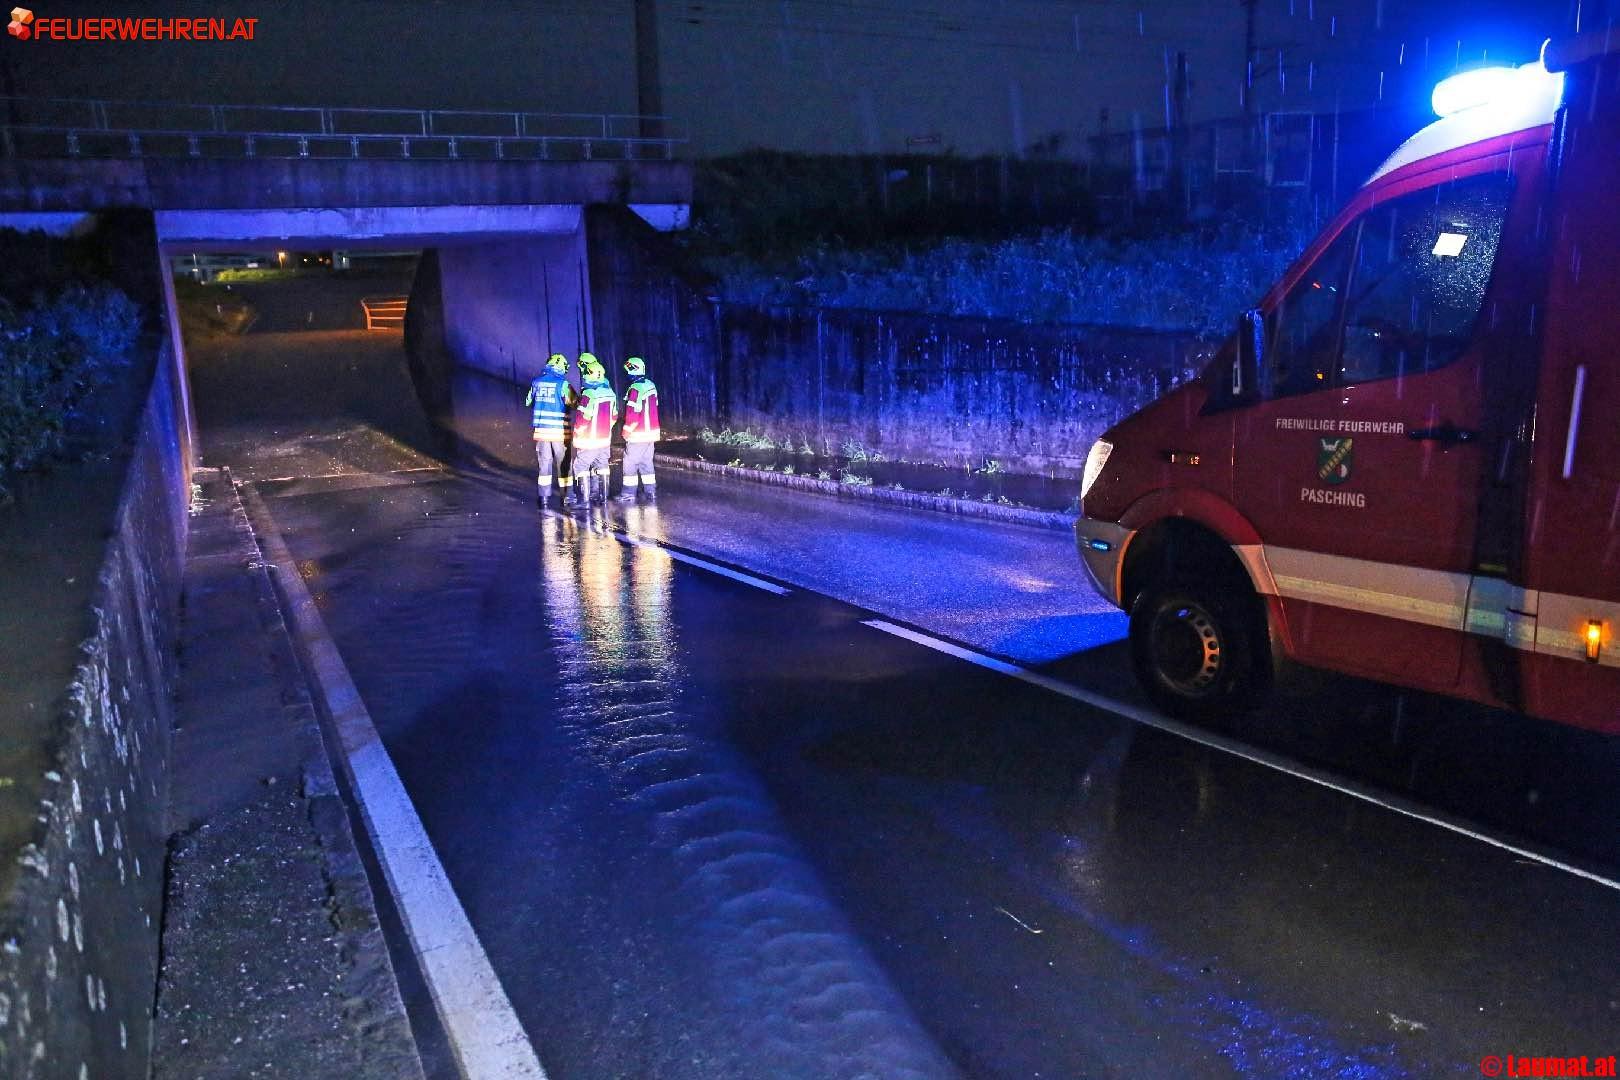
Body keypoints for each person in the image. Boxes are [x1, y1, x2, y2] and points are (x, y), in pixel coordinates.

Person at [524, 352, 576, 509]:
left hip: (541, 432)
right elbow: (574, 403)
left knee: (544, 465)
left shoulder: (536, 382)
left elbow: (528, 402)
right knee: (564, 464)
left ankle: (544, 499)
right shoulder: (563, 384)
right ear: (561, 367)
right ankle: (567, 497)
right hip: (560, 432)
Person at [570, 352, 618, 509]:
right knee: (602, 465)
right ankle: (602, 498)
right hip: (604, 438)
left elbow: (583, 418)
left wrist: (578, 433)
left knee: (580, 466)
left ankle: (584, 502)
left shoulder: (589, 394)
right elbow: (614, 415)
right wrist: (605, 428)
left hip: (589, 439)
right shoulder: (610, 392)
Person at [615, 356, 661, 503]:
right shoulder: (651, 385)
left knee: (630, 463)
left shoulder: (635, 388)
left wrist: (626, 431)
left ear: (633, 371)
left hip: (638, 434)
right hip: (651, 433)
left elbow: (633, 414)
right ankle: (651, 491)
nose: (627, 374)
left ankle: (628, 493)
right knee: (646, 462)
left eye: (628, 370)